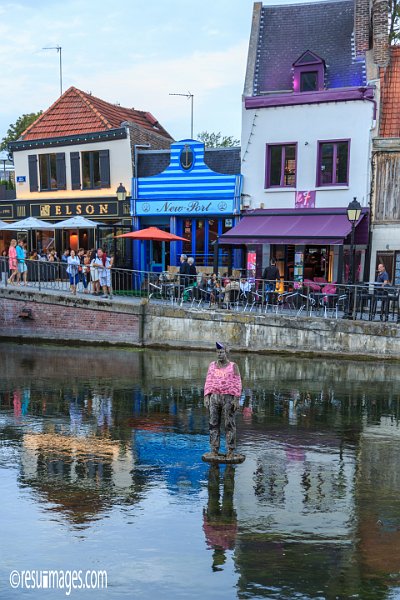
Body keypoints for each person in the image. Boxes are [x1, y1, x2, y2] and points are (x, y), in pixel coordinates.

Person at [204, 342, 242, 459]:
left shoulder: (233, 366)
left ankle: (230, 450)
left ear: (226, 353)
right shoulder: (212, 365)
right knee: (213, 424)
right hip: (214, 397)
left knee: (229, 424)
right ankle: (214, 450)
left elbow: (237, 382)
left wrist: (236, 399)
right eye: (218, 352)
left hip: (228, 398)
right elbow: (208, 381)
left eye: (222, 352)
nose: (219, 354)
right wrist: (206, 396)